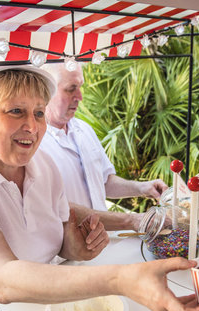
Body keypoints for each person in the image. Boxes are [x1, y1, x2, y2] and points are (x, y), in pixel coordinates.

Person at [0, 65, 199, 311]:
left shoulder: (42, 165)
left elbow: (60, 212)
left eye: (39, 112)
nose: (33, 126)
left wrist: (73, 245)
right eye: (16, 111)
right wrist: (120, 280)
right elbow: (1, 279)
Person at [39, 63, 167, 230]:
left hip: (103, 241)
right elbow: (57, 206)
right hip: (65, 252)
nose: (79, 96)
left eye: (80, 87)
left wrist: (142, 188)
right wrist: (132, 220)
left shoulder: (84, 129)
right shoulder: (35, 144)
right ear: (46, 91)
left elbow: (103, 182)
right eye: (71, 89)